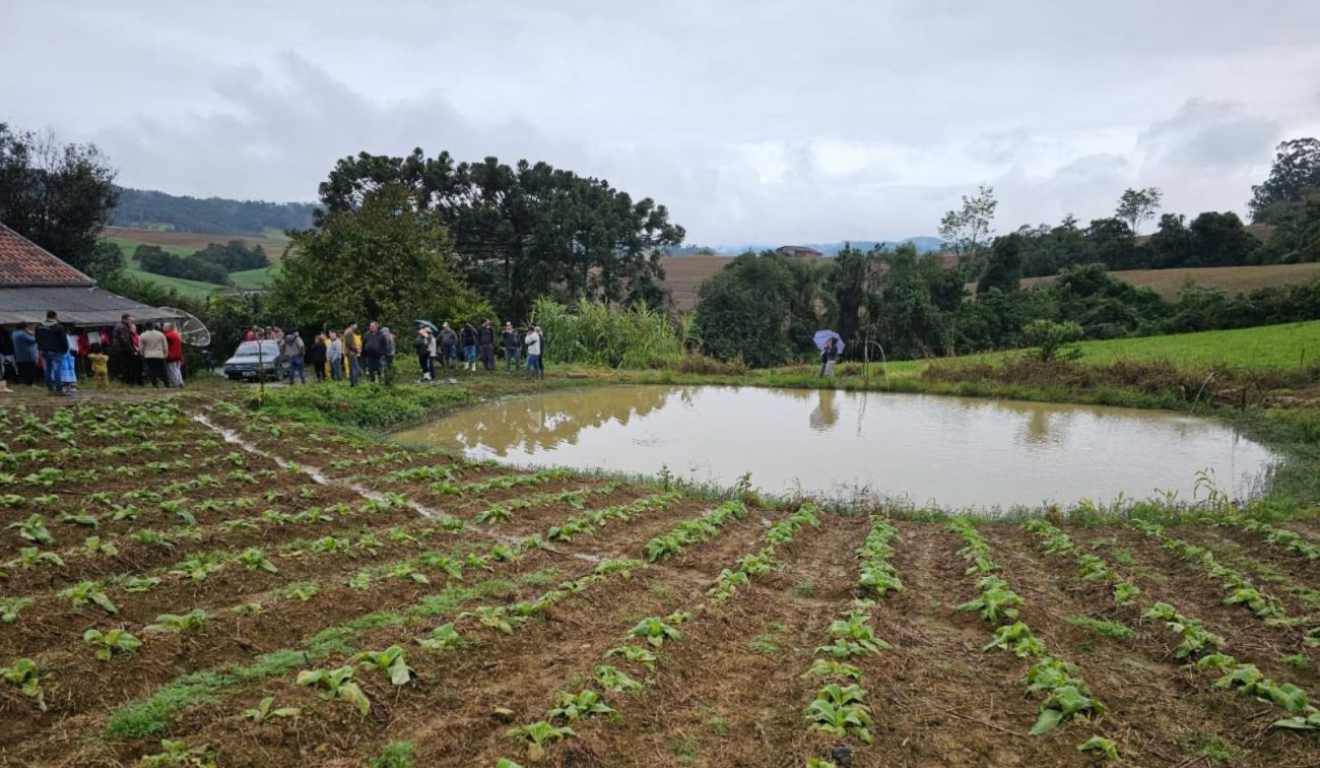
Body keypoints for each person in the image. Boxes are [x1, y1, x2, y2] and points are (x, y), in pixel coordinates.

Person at [35, 311, 70, 395]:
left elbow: (37, 339)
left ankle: (50, 389)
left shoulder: (39, 326)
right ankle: (59, 390)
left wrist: (40, 348)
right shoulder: (59, 327)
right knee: (57, 370)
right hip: (56, 351)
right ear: (55, 316)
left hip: (44, 351)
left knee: (48, 369)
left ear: (46, 316)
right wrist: (65, 349)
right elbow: (63, 340)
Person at [139, 323, 168, 388]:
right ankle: (167, 384)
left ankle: (155, 384)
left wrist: (142, 354)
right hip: (159, 354)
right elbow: (165, 345)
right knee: (163, 370)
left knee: (151, 370)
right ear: (154, 326)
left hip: (148, 355)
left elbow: (141, 347)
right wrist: (165, 354)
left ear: (146, 327)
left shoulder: (143, 335)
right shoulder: (161, 334)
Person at [164, 323, 185, 388]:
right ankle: (180, 382)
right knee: (177, 370)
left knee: (172, 370)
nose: (163, 328)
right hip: (178, 355)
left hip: (172, 356)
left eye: (164, 327)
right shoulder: (177, 334)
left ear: (169, 328)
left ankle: (176, 384)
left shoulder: (168, 335)